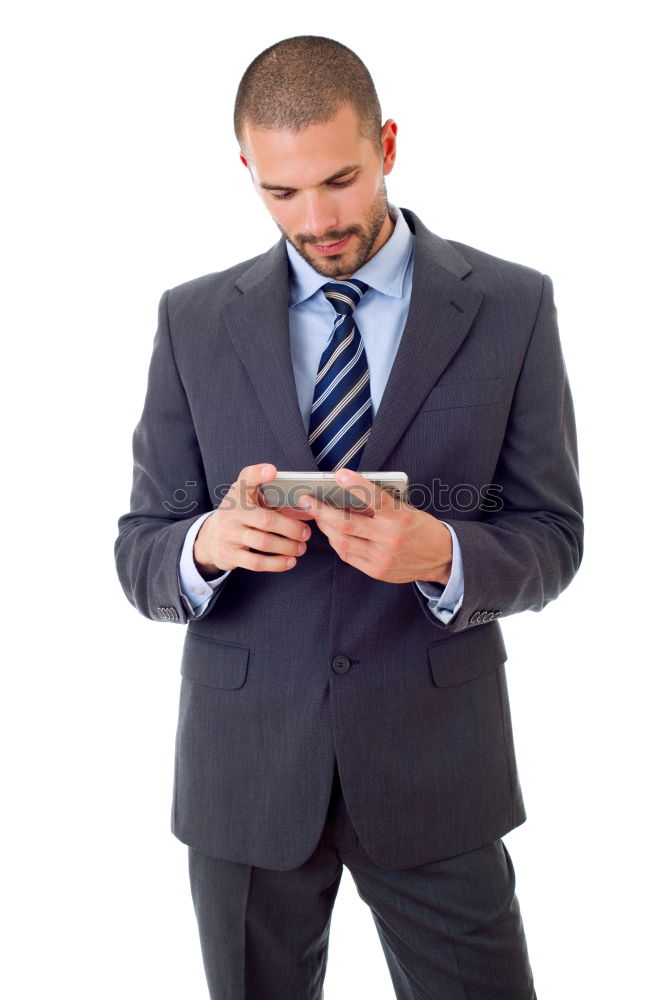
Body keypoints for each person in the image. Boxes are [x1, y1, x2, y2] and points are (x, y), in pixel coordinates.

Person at [115, 34, 583, 1000]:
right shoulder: (190, 321)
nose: (319, 219)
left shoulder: (510, 306)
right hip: (246, 774)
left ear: (389, 145)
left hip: (435, 768)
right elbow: (140, 548)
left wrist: (442, 553)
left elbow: (554, 535)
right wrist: (207, 543)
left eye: (341, 179)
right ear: (247, 170)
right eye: (283, 194)